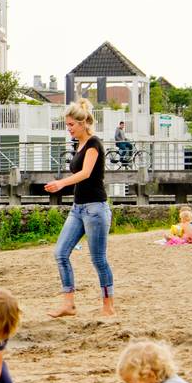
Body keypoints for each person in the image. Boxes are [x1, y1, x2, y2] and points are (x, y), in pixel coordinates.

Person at [45, 98, 115, 317]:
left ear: (83, 122)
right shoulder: (79, 145)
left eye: (71, 125)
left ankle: (108, 306)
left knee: (98, 259)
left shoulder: (94, 144)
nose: (69, 129)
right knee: (61, 253)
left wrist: (61, 183)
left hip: (95, 209)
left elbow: (85, 173)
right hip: (78, 209)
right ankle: (69, 304)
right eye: (67, 125)